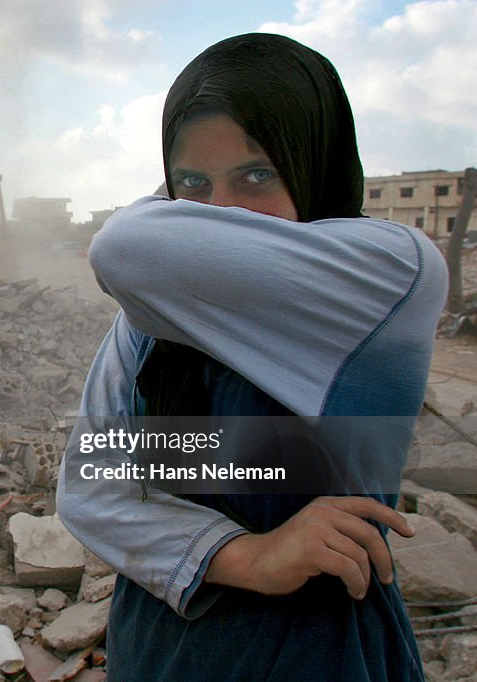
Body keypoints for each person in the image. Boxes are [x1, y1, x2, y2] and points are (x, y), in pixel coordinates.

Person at [56, 33, 447, 681]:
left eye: (257, 175)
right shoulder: (148, 322)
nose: (222, 216)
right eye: (194, 183)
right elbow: (93, 484)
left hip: (313, 649)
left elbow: (119, 244)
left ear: (314, 163)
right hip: (161, 648)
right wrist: (246, 555)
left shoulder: (390, 275)